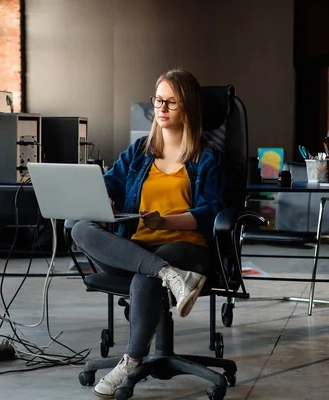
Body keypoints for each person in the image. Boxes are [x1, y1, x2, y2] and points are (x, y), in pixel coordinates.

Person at [70, 69, 227, 399]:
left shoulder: (206, 156)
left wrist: (164, 223)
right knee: (81, 227)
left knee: (146, 276)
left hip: (187, 246)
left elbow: (210, 212)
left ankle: (130, 361)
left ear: (189, 107)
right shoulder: (139, 151)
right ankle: (170, 276)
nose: (162, 107)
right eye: (158, 99)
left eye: (172, 101)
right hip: (137, 247)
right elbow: (108, 185)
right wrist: (99, 199)